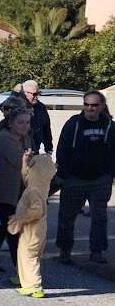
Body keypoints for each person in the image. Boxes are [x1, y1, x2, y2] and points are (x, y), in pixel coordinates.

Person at [55, 90, 115, 264]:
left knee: (99, 217)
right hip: (74, 178)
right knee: (67, 216)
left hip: (100, 179)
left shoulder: (110, 126)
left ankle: (97, 251)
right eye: (86, 104)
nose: (90, 108)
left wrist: (110, 174)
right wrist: (63, 174)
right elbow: (63, 149)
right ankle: (65, 250)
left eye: (94, 105)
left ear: (101, 106)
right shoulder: (74, 123)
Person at [0, 106, 33, 272]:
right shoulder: (4, 138)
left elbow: (29, 160)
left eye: (27, 122)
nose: (24, 126)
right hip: (5, 190)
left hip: (19, 190)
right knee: (10, 229)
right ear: (10, 123)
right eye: (20, 122)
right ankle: (19, 268)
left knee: (3, 228)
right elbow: (21, 161)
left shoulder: (25, 138)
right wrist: (31, 161)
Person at [7, 152, 57, 296]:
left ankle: (34, 285)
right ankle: (24, 278)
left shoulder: (33, 191)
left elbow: (36, 211)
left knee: (29, 255)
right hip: (37, 229)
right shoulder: (42, 184)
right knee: (25, 253)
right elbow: (26, 178)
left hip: (32, 229)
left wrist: (20, 218)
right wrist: (24, 162)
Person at [19, 79, 54, 155]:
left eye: (39, 93)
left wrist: (49, 149)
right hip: (19, 150)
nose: (37, 97)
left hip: (35, 150)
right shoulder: (17, 107)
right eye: (34, 94)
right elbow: (4, 107)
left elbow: (46, 129)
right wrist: (14, 93)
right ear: (24, 94)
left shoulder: (41, 107)